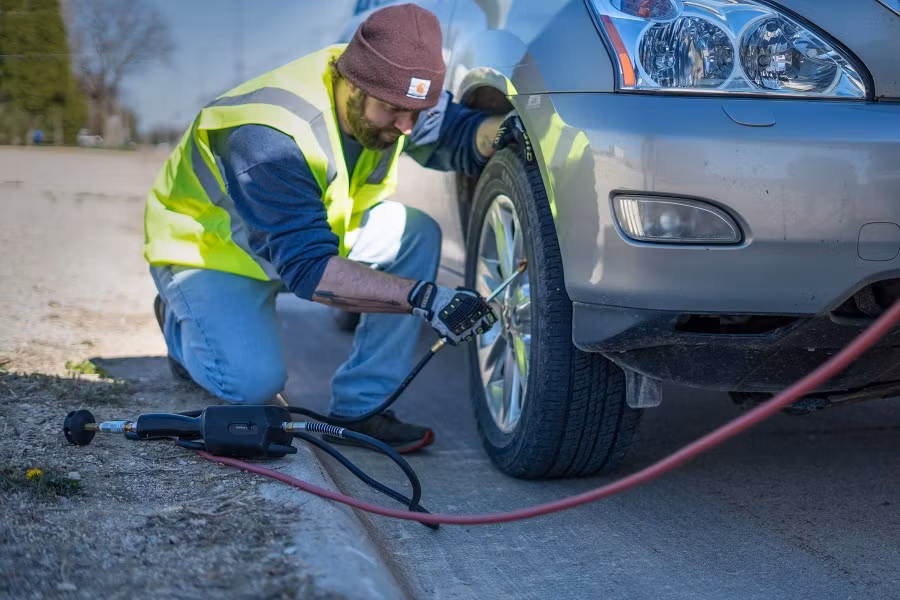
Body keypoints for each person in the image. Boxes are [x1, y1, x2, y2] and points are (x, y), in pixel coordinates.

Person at [143, 4, 508, 453]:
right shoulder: (269, 136)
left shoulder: (394, 94)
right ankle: (179, 326)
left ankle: (363, 407)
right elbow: (309, 272)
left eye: (417, 112)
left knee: (416, 233)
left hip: (302, 239)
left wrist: (507, 130)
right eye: (394, 112)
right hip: (210, 252)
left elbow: (456, 134)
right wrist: (427, 299)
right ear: (353, 84)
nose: (407, 127)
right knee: (251, 386)